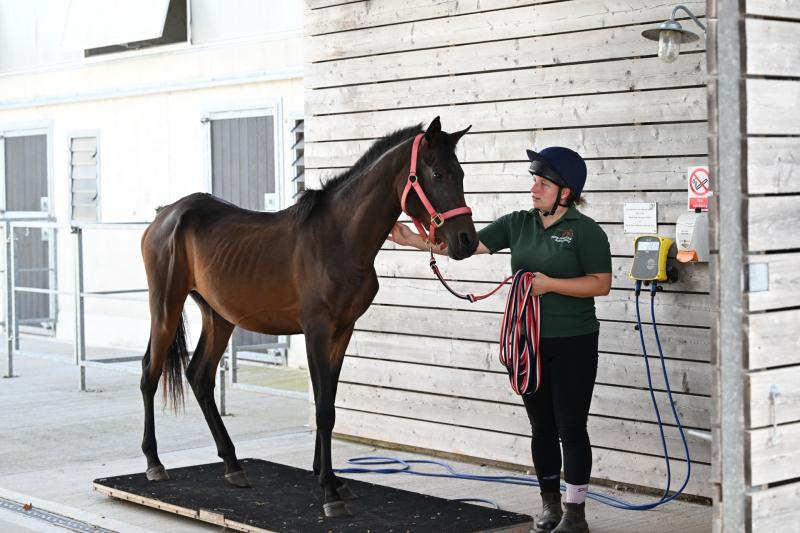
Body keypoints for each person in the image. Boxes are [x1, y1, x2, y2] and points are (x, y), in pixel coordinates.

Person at [388, 147, 611, 533]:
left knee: (571, 428)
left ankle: (576, 515)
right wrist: (414, 241)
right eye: (534, 181)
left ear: (566, 192)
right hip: (528, 343)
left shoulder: (586, 231)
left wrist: (549, 285)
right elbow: (464, 248)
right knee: (541, 427)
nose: (534, 188)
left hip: (573, 341)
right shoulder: (518, 223)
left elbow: (601, 284)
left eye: (543, 183)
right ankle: (550, 506)